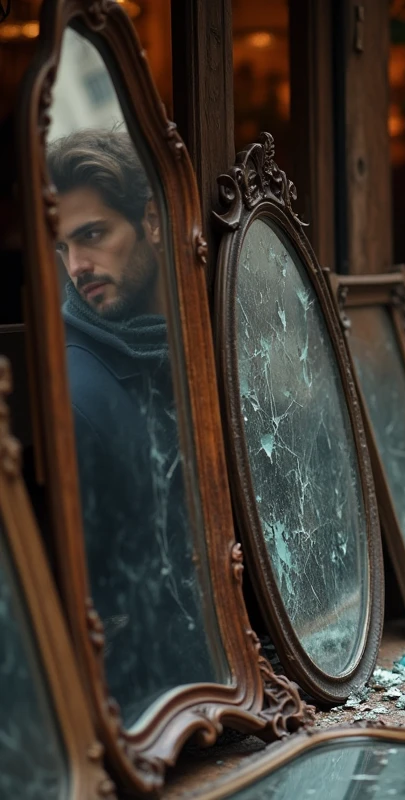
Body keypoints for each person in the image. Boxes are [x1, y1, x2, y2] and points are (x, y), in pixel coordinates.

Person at [47, 128, 218, 723]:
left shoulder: (199, 346)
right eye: (63, 246)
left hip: (228, 702)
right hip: (147, 727)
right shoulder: (75, 399)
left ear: (149, 221)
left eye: (92, 236)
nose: (77, 267)